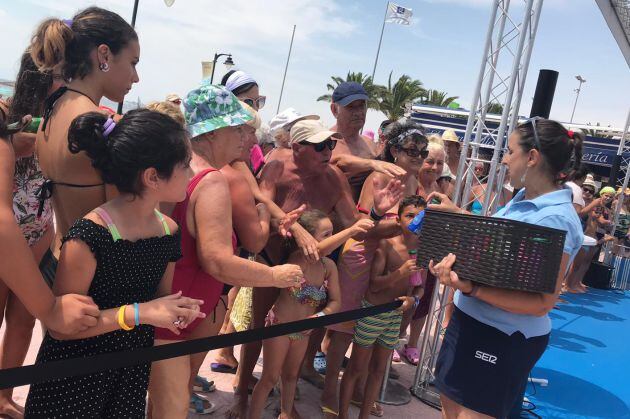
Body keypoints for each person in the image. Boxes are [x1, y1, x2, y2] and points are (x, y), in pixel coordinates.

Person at [24, 108, 205, 418]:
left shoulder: (168, 230)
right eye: (185, 165)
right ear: (152, 177)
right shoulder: (89, 234)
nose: (191, 173)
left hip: (128, 374)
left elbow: (157, 301)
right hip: (73, 378)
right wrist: (139, 313)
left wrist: (175, 310)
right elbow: (61, 330)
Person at [228, 119, 403, 418]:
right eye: (320, 146)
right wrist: (293, 228)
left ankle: (286, 405)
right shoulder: (276, 166)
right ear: (297, 148)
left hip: (309, 273)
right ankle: (242, 399)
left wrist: (376, 212)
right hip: (273, 261)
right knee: (256, 332)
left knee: (298, 340)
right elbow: (261, 213)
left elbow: (353, 227)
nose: (328, 152)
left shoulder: (333, 179)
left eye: (330, 145)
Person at [148, 83, 303, 417]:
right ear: (214, 132)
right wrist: (276, 275)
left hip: (161, 307)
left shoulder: (175, 166)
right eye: (236, 128)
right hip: (179, 317)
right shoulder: (210, 179)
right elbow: (217, 261)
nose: (244, 137)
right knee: (170, 409)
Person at [428, 117, 584, 419]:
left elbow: (541, 303)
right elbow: (498, 243)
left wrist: (472, 288)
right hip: (469, 323)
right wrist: (459, 213)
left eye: (510, 151)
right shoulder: (523, 199)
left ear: (532, 158)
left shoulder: (556, 219)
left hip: (501, 338)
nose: (504, 160)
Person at [321, 118, 428, 416]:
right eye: (412, 149)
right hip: (362, 254)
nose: (418, 156)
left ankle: (357, 388)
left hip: (388, 257)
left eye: (423, 151)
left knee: (373, 325)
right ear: (394, 150)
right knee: (345, 327)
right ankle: (330, 387)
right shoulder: (379, 178)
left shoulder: (414, 182)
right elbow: (364, 227)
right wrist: (400, 227)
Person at [29, 6, 140, 287]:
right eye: (133, 62)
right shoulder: (101, 124)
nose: (136, 77)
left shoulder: (51, 115)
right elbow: (123, 217)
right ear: (104, 55)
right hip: (94, 275)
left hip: (55, 263)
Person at [248, 211, 373, 419]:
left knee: (291, 376)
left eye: (333, 233)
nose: (332, 239)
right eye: (326, 234)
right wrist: (350, 231)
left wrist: (318, 317)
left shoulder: (328, 267)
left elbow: (336, 302)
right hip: (280, 327)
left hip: (304, 332)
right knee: (269, 378)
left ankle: (286, 413)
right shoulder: (299, 259)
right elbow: (315, 251)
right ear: (306, 239)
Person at [0, 50, 63, 418]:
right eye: (59, 77)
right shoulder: (5, 112)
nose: (64, 85)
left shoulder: (61, 119)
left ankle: (4, 396)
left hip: (39, 228)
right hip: (6, 228)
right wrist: (15, 144)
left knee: (23, 320)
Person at [338, 196, 426, 419]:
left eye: (420, 216)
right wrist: (399, 273)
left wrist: (413, 301)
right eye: (409, 216)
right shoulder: (387, 246)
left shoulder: (423, 250)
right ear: (398, 219)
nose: (415, 221)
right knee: (357, 368)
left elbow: (420, 288)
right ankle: (342, 415)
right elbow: (374, 285)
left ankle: (364, 415)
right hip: (373, 313)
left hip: (394, 316)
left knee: (378, 370)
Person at [399, 136, 446, 365]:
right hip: (409, 253)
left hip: (429, 253)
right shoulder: (410, 184)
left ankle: (412, 343)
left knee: (424, 299)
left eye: (439, 162)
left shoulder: (440, 187)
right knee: (406, 296)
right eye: (430, 161)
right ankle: (395, 340)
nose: (434, 167)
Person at [329, 82, 405, 200]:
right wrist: (370, 164)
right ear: (334, 109)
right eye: (350, 106)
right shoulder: (323, 143)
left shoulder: (370, 145)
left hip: (367, 214)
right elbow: (337, 161)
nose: (358, 112)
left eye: (362, 105)